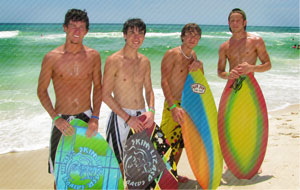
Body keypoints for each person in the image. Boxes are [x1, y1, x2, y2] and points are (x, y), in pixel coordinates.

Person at [37, 9, 102, 187]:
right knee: (60, 173)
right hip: (62, 119)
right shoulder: (51, 57)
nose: (76, 31)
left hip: (87, 118)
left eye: (81, 27)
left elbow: (98, 88)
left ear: (86, 31)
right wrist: (55, 118)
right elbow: (41, 91)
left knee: (88, 170)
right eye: (73, 26)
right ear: (65, 28)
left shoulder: (94, 56)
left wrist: (95, 118)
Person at [217, 8, 271, 173]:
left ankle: (252, 160)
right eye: (232, 20)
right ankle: (232, 160)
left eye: (238, 20)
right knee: (230, 125)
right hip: (232, 88)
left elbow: (267, 64)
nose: (234, 23)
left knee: (251, 124)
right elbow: (220, 72)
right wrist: (228, 74)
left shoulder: (256, 41)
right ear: (229, 23)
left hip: (250, 88)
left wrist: (251, 67)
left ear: (245, 22)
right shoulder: (224, 46)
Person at [102, 18, 155, 176]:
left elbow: (149, 91)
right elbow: (105, 95)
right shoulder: (114, 60)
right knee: (117, 164)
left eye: (140, 33)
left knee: (139, 163)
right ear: (124, 35)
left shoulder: (145, 62)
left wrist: (151, 110)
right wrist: (127, 118)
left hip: (142, 116)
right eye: (132, 32)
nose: (136, 37)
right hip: (120, 119)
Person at [160, 23, 203, 183]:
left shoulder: (194, 56)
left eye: (196, 36)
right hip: (172, 104)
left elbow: (198, 83)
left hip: (187, 105)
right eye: (189, 34)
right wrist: (172, 107)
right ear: (183, 36)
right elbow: (164, 81)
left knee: (180, 143)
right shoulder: (172, 54)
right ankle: (161, 177)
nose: (193, 38)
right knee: (167, 142)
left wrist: (200, 66)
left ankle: (173, 175)